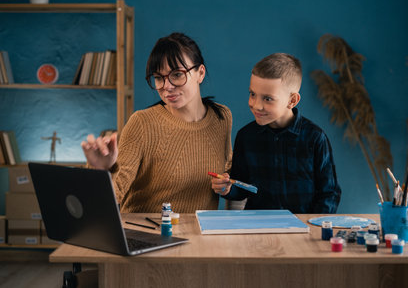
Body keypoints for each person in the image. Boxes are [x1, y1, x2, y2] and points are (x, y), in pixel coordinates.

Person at [81, 32, 233, 213]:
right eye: (159, 78)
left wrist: (226, 183)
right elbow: (115, 194)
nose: (166, 86)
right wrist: (101, 170)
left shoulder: (222, 117)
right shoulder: (142, 123)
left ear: (200, 73)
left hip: (199, 235)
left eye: (177, 74)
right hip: (146, 235)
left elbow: (227, 171)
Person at [211, 53, 341, 213]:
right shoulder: (245, 136)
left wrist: (313, 226)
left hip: (303, 230)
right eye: (252, 94)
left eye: (268, 99)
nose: (256, 105)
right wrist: (227, 189)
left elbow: (330, 193)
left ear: (292, 100)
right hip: (257, 229)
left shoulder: (315, 138)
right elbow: (242, 188)